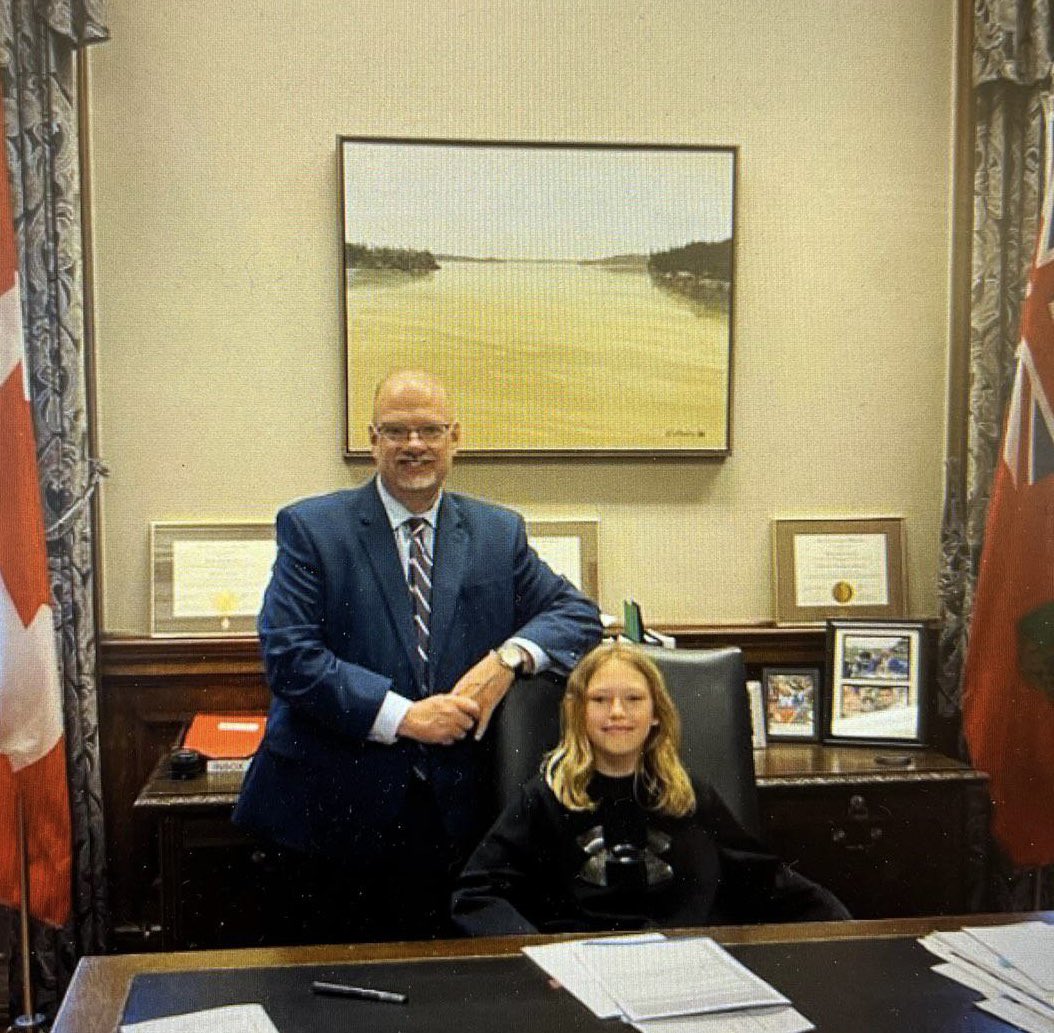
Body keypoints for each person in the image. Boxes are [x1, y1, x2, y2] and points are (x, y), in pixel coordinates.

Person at [232, 369, 603, 942]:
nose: (414, 446)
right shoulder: (312, 527)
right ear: (372, 439)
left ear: (455, 437)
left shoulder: (495, 532)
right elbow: (290, 657)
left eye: (429, 430)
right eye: (397, 432)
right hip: (331, 821)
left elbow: (576, 614)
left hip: (457, 822)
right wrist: (404, 717)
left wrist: (507, 659)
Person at [452, 643, 849, 936]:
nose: (618, 712)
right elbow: (477, 893)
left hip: (684, 967)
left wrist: (844, 928)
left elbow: (768, 879)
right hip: (583, 974)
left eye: (634, 699)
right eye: (600, 700)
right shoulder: (545, 797)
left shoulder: (690, 797)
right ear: (578, 713)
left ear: (657, 714)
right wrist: (537, 952)